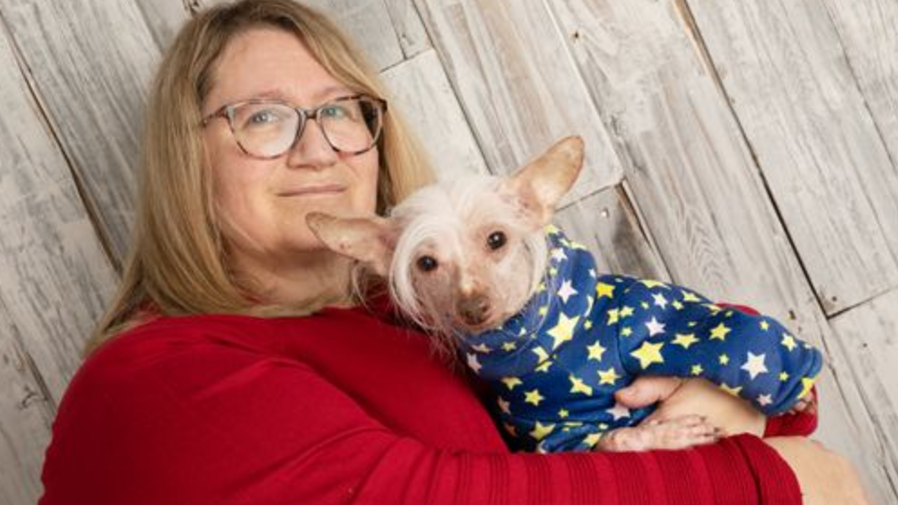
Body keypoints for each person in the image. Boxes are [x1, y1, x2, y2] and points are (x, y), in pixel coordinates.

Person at [38, 0, 868, 503]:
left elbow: (721, 366)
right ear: (186, 155)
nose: (319, 150)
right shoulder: (153, 379)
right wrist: (777, 478)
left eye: (340, 111)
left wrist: (741, 408)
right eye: (262, 117)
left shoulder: (431, 317)